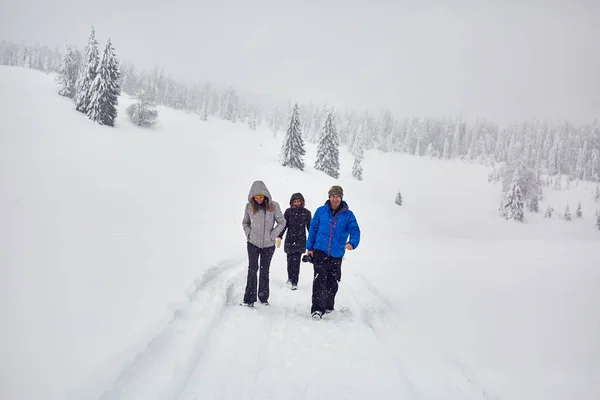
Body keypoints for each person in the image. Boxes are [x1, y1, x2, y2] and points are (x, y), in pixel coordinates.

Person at [306, 185, 360, 319]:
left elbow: (355, 230)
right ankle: (317, 309)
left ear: (341, 198)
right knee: (319, 279)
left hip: (337, 253)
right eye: (333, 196)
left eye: (338, 196)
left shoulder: (348, 215)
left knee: (332, 282)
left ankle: (328, 305)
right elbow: (313, 229)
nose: (335, 199)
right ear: (329, 197)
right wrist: (310, 248)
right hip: (320, 251)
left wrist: (352, 243)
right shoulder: (321, 211)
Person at [241, 180, 286, 307]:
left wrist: (272, 235)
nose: (259, 199)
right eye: (256, 197)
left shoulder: (274, 206)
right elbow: (245, 222)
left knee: (264, 270)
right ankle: (249, 299)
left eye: (261, 197)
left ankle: (263, 297)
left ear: (265, 195)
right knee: (252, 269)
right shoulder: (249, 206)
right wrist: (249, 234)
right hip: (253, 243)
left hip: (268, 245)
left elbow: (282, 222)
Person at [276, 192, 312, 290]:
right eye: (294, 201)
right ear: (291, 202)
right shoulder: (288, 212)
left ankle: (295, 282)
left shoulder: (306, 213)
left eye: (298, 201)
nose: (296, 203)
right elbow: (284, 225)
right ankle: (290, 278)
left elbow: (310, 228)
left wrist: (313, 241)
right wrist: (279, 236)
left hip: (300, 241)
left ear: (302, 202)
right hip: (289, 240)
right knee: (289, 260)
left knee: (296, 262)